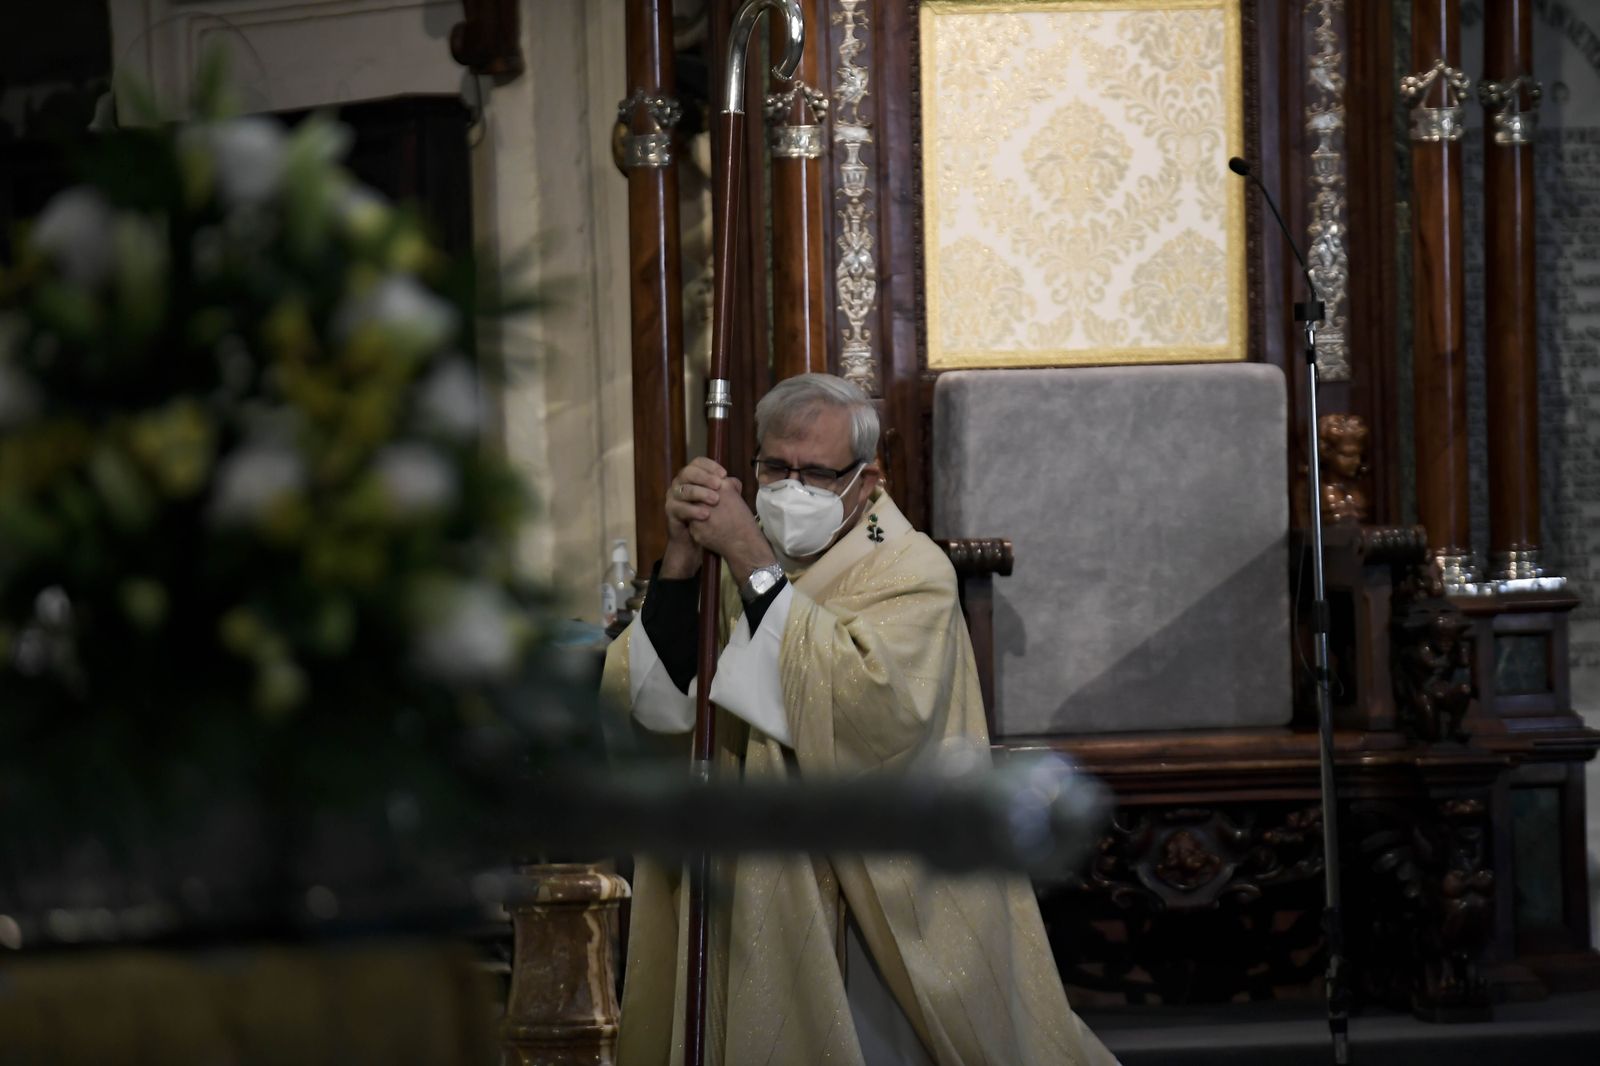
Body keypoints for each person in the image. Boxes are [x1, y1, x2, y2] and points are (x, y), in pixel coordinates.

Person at [601, 373, 1116, 1066]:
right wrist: (684, 563)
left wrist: (751, 557)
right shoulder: (728, 563)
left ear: (868, 478)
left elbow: (865, 712)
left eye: (815, 472)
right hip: (747, 875)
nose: (789, 488)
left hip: (868, 893)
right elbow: (658, 705)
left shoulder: (909, 571)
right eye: (773, 467)